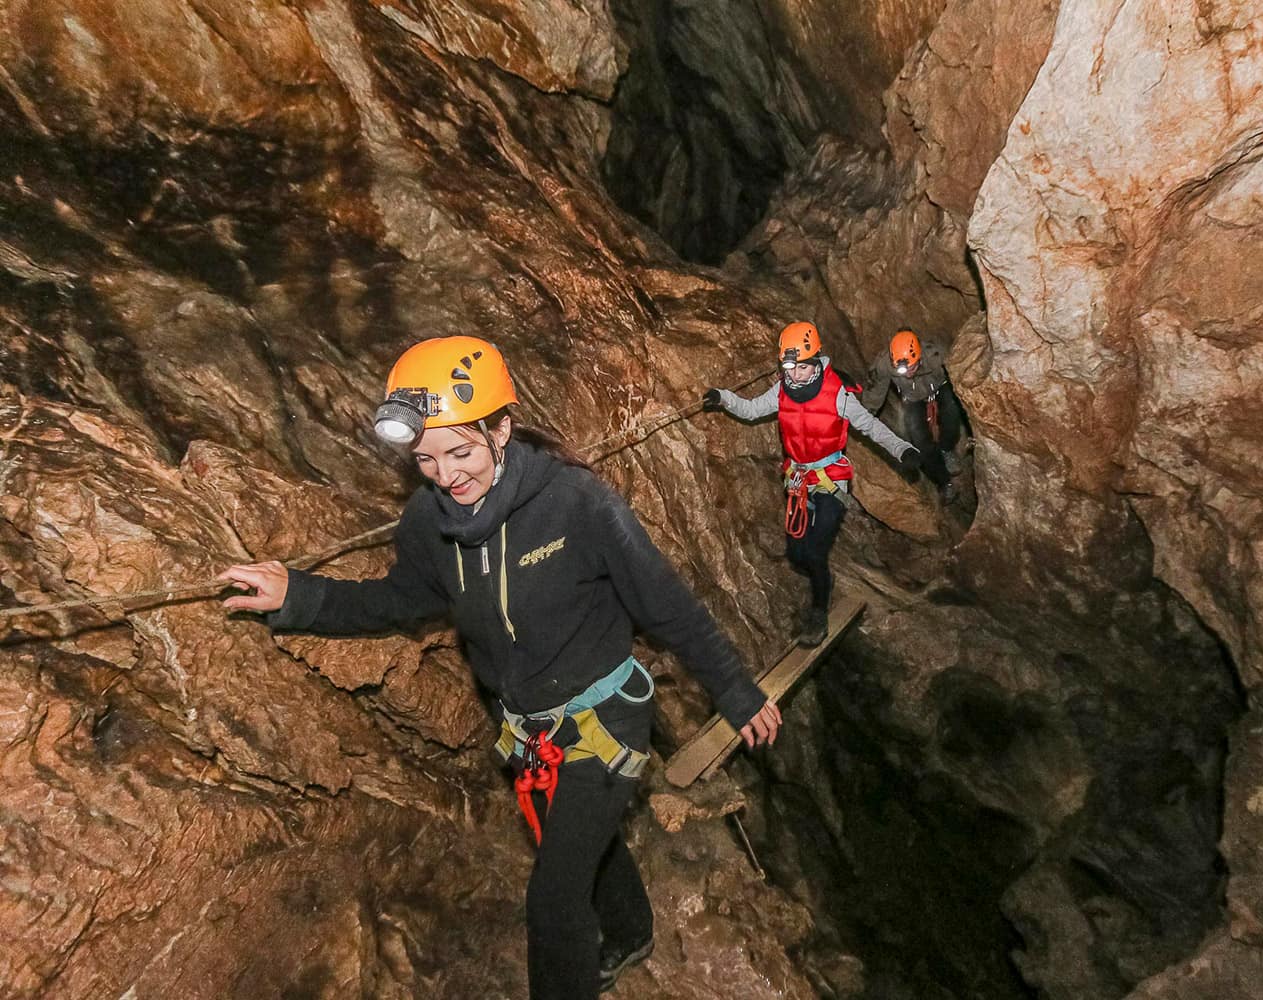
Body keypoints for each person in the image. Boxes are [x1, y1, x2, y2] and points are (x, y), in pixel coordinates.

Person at [217, 335, 781, 1000]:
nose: (445, 473)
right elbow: (400, 600)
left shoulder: (579, 504)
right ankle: (631, 935)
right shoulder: (427, 522)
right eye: (425, 459)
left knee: (553, 897)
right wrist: (301, 595)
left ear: (501, 430)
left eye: (460, 451)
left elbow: (669, 608)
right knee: (582, 843)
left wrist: (738, 695)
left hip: (607, 713)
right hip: (527, 726)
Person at [702, 321, 920, 647]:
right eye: (790, 368)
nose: (797, 375)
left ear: (817, 362)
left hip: (831, 479)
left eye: (803, 367)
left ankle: (818, 612)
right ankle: (819, 577)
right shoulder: (781, 391)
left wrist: (903, 450)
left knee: (815, 552)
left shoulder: (838, 396)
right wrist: (723, 398)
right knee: (796, 553)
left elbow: (871, 427)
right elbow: (749, 411)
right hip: (799, 479)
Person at [863, 329, 965, 503]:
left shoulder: (935, 354)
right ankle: (943, 482)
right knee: (920, 441)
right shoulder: (884, 364)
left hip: (941, 387)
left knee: (951, 411)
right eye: (901, 369)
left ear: (919, 357)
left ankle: (947, 448)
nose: (907, 372)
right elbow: (875, 391)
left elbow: (959, 373)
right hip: (912, 397)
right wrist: (866, 417)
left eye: (911, 367)